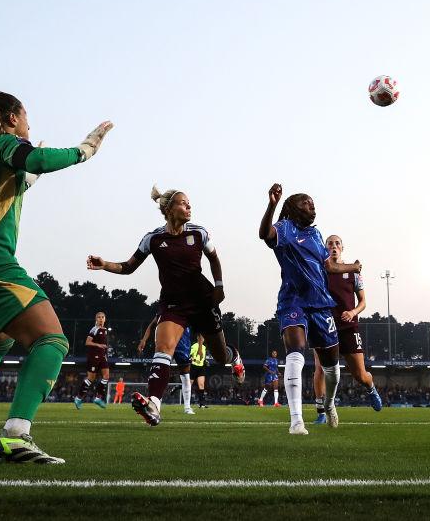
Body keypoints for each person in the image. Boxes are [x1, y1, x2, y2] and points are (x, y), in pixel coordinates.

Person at [0, 86, 112, 463]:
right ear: (13, 118)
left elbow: (14, 181)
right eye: (26, 116)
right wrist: (85, 150)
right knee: (52, 340)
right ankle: (15, 434)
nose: (29, 123)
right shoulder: (1, 143)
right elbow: (38, 159)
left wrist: (31, 173)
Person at [87, 185, 244, 427]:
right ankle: (153, 405)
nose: (189, 206)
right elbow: (129, 267)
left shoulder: (199, 233)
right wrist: (104, 263)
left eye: (189, 202)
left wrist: (219, 286)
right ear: (169, 209)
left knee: (221, 357)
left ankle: (235, 357)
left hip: (203, 301)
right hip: (173, 303)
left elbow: (214, 258)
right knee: (163, 349)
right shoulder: (153, 239)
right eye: (183, 203)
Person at [259, 183, 361, 434]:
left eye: (313, 202)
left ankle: (329, 403)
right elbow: (265, 234)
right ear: (293, 208)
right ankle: (296, 420)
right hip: (293, 299)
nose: (311, 205)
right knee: (295, 349)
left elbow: (328, 267)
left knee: (332, 367)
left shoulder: (316, 235)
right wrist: (271, 205)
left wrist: (352, 267)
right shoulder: (285, 228)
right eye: (306, 202)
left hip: (320, 304)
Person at [312, 235, 383, 424]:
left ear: (342, 247)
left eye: (337, 243)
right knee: (320, 367)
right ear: (325, 248)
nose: (333, 246)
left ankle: (371, 388)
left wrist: (352, 312)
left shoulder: (354, 273)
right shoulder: (320, 270)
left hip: (349, 327)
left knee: (359, 374)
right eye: (330, 244)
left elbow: (363, 302)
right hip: (325, 325)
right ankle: (321, 411)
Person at [138, 313, 195, 414]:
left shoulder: (188, 307)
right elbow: (152, 325)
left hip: (183, 343)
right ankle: (156, 403)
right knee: (160, 369)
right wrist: (144, 340)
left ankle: (187, 407)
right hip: (167, 340)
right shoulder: (164, 309)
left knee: (186, 375)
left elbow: (199, 330)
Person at [74, 311, 110, 409]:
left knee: (106, 376)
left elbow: (104, 345)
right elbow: (87, 342)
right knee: (91, 378)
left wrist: (105, 353)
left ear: (105, 319)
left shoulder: (105, 329)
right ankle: (78, 398)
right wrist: (98, 345)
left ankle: (98, 398)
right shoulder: (94, 329)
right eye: (99, 317)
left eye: (102, 317)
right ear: (96, 319)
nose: (101, 319)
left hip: (102, 356)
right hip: (93, 356)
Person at [189, 334, 208, 408]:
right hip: (194, 367)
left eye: (203, 338)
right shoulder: (194, 346)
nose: (202, 339)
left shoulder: (204, 347)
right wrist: (195, 360)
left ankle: (202, 404)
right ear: (198, 338)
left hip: (201, 368)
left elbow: (203, 358)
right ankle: (187, 403)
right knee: (188, 385)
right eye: (201, 337)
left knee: (201, 385)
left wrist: (205, 361)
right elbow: (189, 356)